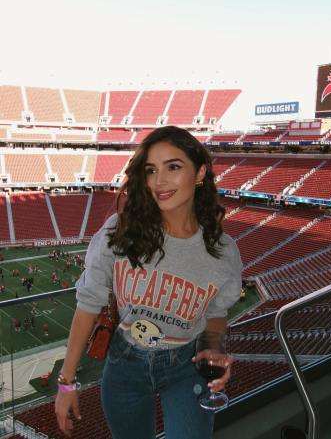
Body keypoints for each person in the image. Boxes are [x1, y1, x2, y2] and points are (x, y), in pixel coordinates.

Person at [55, 126, 242, 439]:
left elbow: (216, 313)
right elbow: (89, 303)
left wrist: (215, 350)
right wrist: (66, 381)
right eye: (151, 170)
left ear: (200, 173)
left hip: (186, 366)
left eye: (174, 167)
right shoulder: (121, 230)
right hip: (124, 364)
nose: (159, 181)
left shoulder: (223, 253)